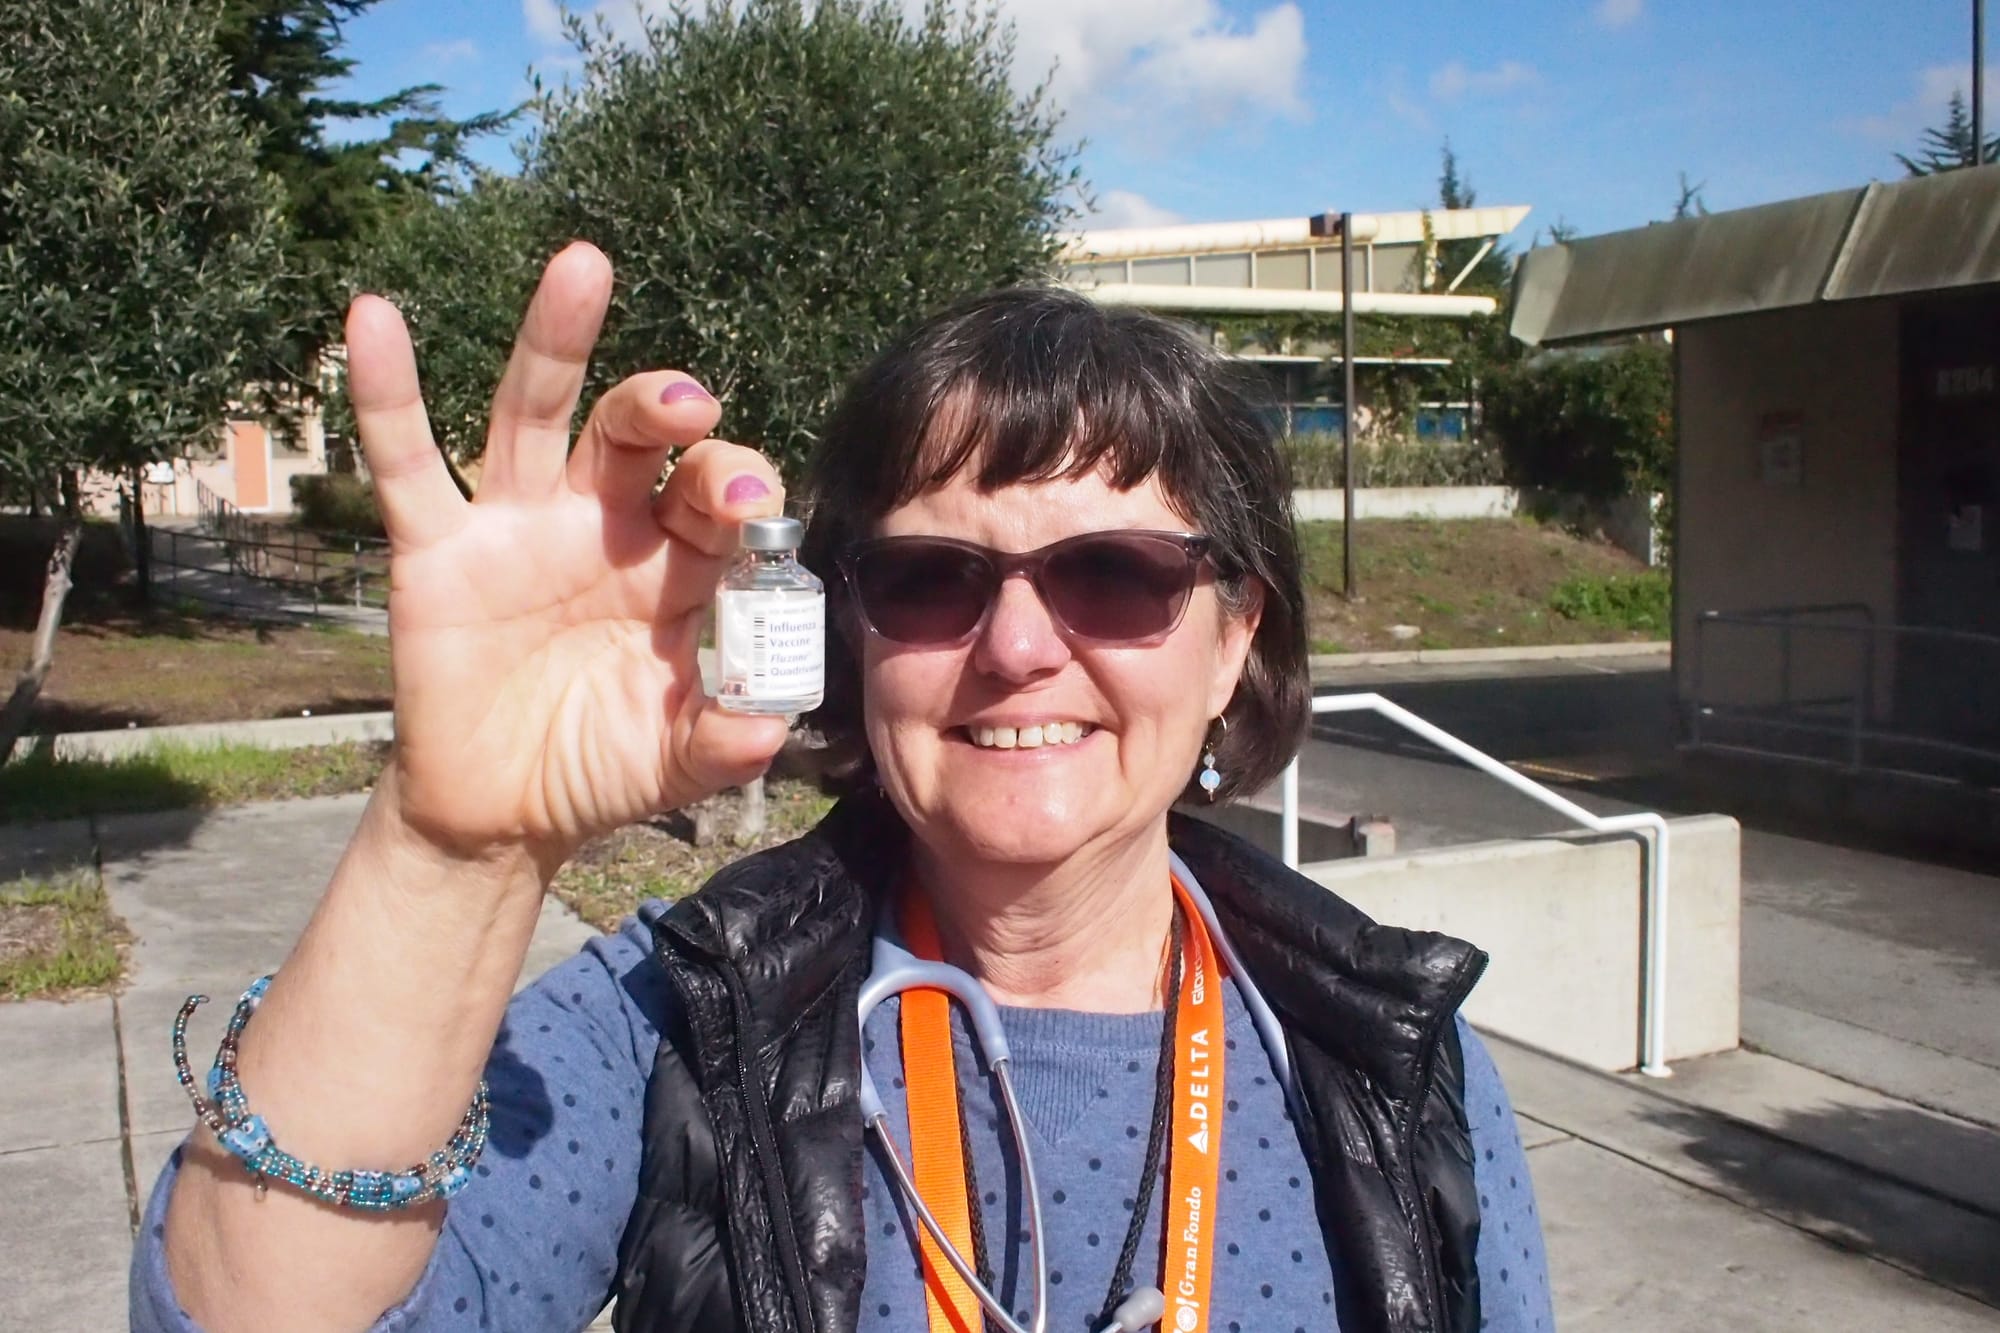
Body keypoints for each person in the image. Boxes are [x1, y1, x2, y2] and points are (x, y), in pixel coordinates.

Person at [134, 243, 1552, 1333]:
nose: (1014, 648)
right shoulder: (685, 1017)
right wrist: (453, 852)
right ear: (848, 628)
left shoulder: (1393, 1060)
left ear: (1238, 634)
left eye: (1112, 573)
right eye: (933, 575)